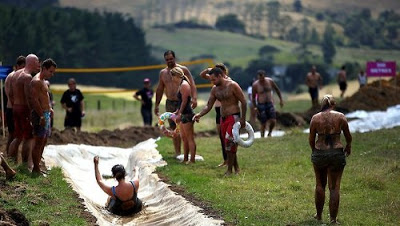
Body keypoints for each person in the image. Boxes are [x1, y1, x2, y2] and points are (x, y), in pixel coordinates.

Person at [193, 67, 247, 176]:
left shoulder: (233, 85)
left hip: (234, 117)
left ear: (220, 76)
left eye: (214, 80)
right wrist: (199, 114)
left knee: (229, 142)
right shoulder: (215, 89)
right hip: (223, 118)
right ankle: (236, 168)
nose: (212, 82)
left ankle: (229, 170)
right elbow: (209, 105)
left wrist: (243, 119)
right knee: (227, 143)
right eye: (211, 80)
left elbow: (244, 102)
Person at [309, 94, 352, 224]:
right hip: (336, 154)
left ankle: (319, 215)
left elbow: (311, 139)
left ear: (322, 105)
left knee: (320, 185)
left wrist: (315, 151)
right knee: (334, 188)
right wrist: (348, 146)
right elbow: (348, 136)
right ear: (333, 105)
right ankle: (333, 220)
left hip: (320, 153)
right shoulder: (340, 117)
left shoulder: (315, 118)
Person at [154, 50, 197, 157]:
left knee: (185, 129)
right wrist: (157, 105)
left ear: (175, 58)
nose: (169, 61)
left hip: (182, 102)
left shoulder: (183, 70)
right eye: (167, 60)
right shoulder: (163, 73)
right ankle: (178, 153)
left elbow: (192, 84)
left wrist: (194, 98)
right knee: (174, 129)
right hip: (170, 102)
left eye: (171, 59)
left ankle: (188, 154)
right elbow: (159, 89)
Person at [8, 54, 40, 167]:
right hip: (24, 109)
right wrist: (32, 111)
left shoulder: (15, 74)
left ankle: (11, 162)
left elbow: (10, 93)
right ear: (31, 62)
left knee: (17, 136)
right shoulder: (27, 77)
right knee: (29, 137)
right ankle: (26, 165)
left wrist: (14, 104)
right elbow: (29, 97)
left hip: (15, 106)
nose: (39, 64)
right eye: (37, 62)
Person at [199, 63, 230, 167]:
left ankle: (231, 159)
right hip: (218, 111)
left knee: (228, 137)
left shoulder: (228, 81)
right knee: (221, 137)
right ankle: (225, 160)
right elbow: (202, 75)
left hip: (226, 110)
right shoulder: (215, 80)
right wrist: (209, 69)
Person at [30, 59, 57, 174]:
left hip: (46, 114)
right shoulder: (36, 81)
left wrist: (49, 109)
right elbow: (34, 100)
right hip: (40, 114)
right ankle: (35, 169)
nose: (52, 74)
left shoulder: (43, 81)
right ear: (44, 68)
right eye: (50, 71)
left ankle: (38, 166)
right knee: (38, 142)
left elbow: (44, 98)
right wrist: (41, 116)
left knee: (44, 141)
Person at [171, 67, 196, 164]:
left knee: (190, 138)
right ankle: (186, 158)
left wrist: (179, 113)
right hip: (183, 113)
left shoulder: (184, 85)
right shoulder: (181, 85)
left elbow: (185, 101)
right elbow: (181, 101)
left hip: (187, 114)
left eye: (172, 76)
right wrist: (177, 111)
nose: (172, 79)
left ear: (176, 75)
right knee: (184, 138)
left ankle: (192, 159)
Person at [252, 70, 284, 137]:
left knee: (273, 120)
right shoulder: (255, 85)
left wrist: (281, 100)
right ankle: (262, 136)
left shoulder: (270, 81)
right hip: (261, 105)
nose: (261, 79)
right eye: (260, 78)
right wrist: (255, 107)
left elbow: (277, 89)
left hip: (270, 103)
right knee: (263, 122)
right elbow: (253, 97)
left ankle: (269, 133)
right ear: (258, 77)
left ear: (264, 76)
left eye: (262, 77)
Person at [4, 55, 26, 155]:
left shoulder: (15, 76)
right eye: (23, 67)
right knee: (13, 135)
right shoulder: (13, 76)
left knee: (15, 135)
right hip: (12, 108)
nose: (24, 69)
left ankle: (12, 158)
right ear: (17, 66)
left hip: (13, 108)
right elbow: (10, 95)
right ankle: (10, 158)